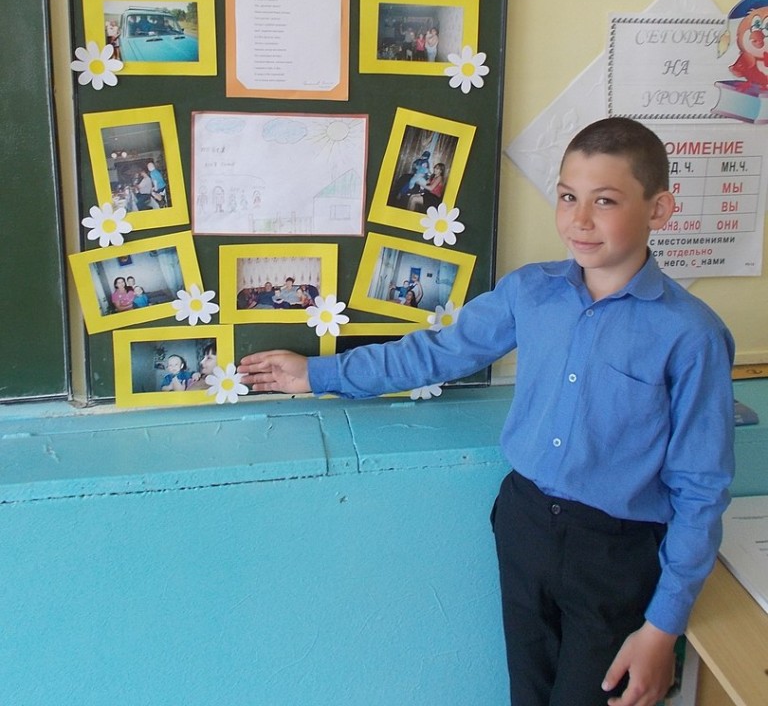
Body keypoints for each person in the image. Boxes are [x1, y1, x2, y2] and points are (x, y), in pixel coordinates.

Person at [238, 117, 735, 706]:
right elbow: (436, 353)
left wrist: (662, 628)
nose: (579, 220)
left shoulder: (691, 334)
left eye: (605, 201)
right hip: (526, 524)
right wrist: (318, 374)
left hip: (616, 553)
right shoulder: (531, 292)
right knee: (527, 692)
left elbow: (701, 488)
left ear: (659, 209)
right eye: (568, 197)